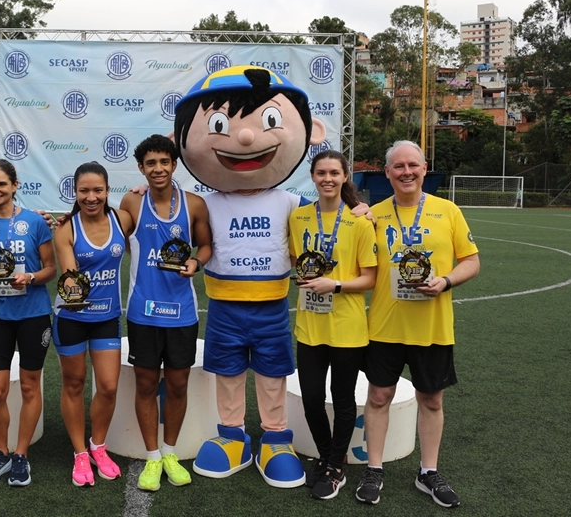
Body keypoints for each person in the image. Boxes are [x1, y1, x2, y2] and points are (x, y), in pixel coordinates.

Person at [174, 65, 330, 488]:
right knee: (227, 371)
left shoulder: (292, 202)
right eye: (222, 126)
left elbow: (326, 225)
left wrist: (358, 208)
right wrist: (136, 192)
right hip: (224, 306)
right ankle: (231, 435)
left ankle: (275, 437)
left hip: (272, 306)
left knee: (273, 370)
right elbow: (164, 213)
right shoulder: (204, 202)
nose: (244, 138)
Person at [355, 140, 480, 508]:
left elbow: (471, 261)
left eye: (413, 165)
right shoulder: (372, 215)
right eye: (398, 166)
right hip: (384, 326)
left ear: (425, 169)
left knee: (432, 399)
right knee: (378, 397)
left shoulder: (449, 211)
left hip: (433, 327)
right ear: (388, 172)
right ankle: (374, 469)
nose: (406, 172)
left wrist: (446, 281)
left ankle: (428, 472)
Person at [119, 134, 212, 492]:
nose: (158, 169)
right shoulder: (132, 200)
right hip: (143, 311)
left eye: (164, 162)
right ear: (141, 168)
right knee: (145, 384)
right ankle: (152, 456)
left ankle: (170, 452)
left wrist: (194, 261)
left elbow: (206, 245)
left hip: (182, 312)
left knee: (176, 384)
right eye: (150, 163)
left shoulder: (195, 205)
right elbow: (118, 236)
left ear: (174, 164)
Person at [288, 149, 377, 501]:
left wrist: (335, 284)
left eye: (334, 173)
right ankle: (328, 455)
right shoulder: (297, 218)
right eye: (321, 173)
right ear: (313, 177)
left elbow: (369, 278)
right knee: (311, 396)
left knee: (342, 399)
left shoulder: (359, 222)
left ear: (344, 178)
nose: (327, 179)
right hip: (310, 324)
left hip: (348, 327)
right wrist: (307, 278)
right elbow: (298, 260)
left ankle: (334, 467)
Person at [0, 159, 57, 487]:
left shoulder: (35, 223)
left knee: (31, 385)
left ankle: (21, 455)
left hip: (33, 315)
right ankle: (0, 453)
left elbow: (51, 269)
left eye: (1, 184)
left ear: (14, 185)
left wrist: (31, 277)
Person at [53, 161, 134, 487]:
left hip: (107, 317)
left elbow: (140, 208)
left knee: (109, 386)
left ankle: (97, 445)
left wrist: (140, 189)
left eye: (97, 190)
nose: (91, 197)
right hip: (71, 317)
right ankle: (79, 453)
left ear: (107, 190)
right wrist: (74, 289)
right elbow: (70, 278)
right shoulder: (66, 229)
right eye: (84, 190)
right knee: (74, 383)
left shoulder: (121, 219)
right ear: (75, 192)